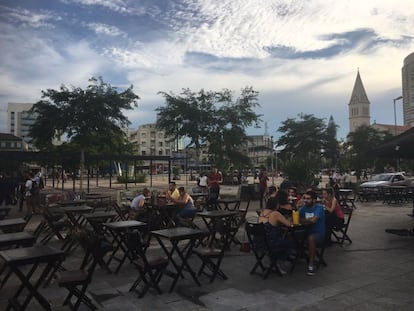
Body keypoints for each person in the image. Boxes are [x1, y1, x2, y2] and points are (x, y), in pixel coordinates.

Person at [258, 196, 294, 274]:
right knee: (290, 243)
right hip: (271, 243)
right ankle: (278, 262)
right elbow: (289, 224)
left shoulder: (262, 212)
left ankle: (272, 261)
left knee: (282, 240)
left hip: (259, 243)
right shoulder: (275, 214)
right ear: (276, 205)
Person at [298, 190, 326, 276]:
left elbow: (314, 220)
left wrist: (304, 220)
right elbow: (296, 218)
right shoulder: (303, 208)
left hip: (319, 234)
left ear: (314, 200)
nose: (305, 200)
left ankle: (311, 265)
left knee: (311, 238)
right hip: (306, 232)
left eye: (308, 199)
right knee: (292, 236)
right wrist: (306, 220)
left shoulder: (319, 208)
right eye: (304, 198)